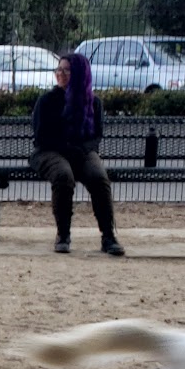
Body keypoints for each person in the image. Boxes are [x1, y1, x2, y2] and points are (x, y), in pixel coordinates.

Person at [31, 51, 123, 256]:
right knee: (63, 175)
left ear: (80, 74)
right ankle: (63, 234)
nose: (60, 74)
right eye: (58, 69)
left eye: (66, 70)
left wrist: (81, 150)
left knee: (99, 178)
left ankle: (108, 236)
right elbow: (41, 136)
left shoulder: (93, 103)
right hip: (49, 151)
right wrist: (68, 149)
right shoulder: (47, 101)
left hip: (82, 151)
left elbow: (96, 135)